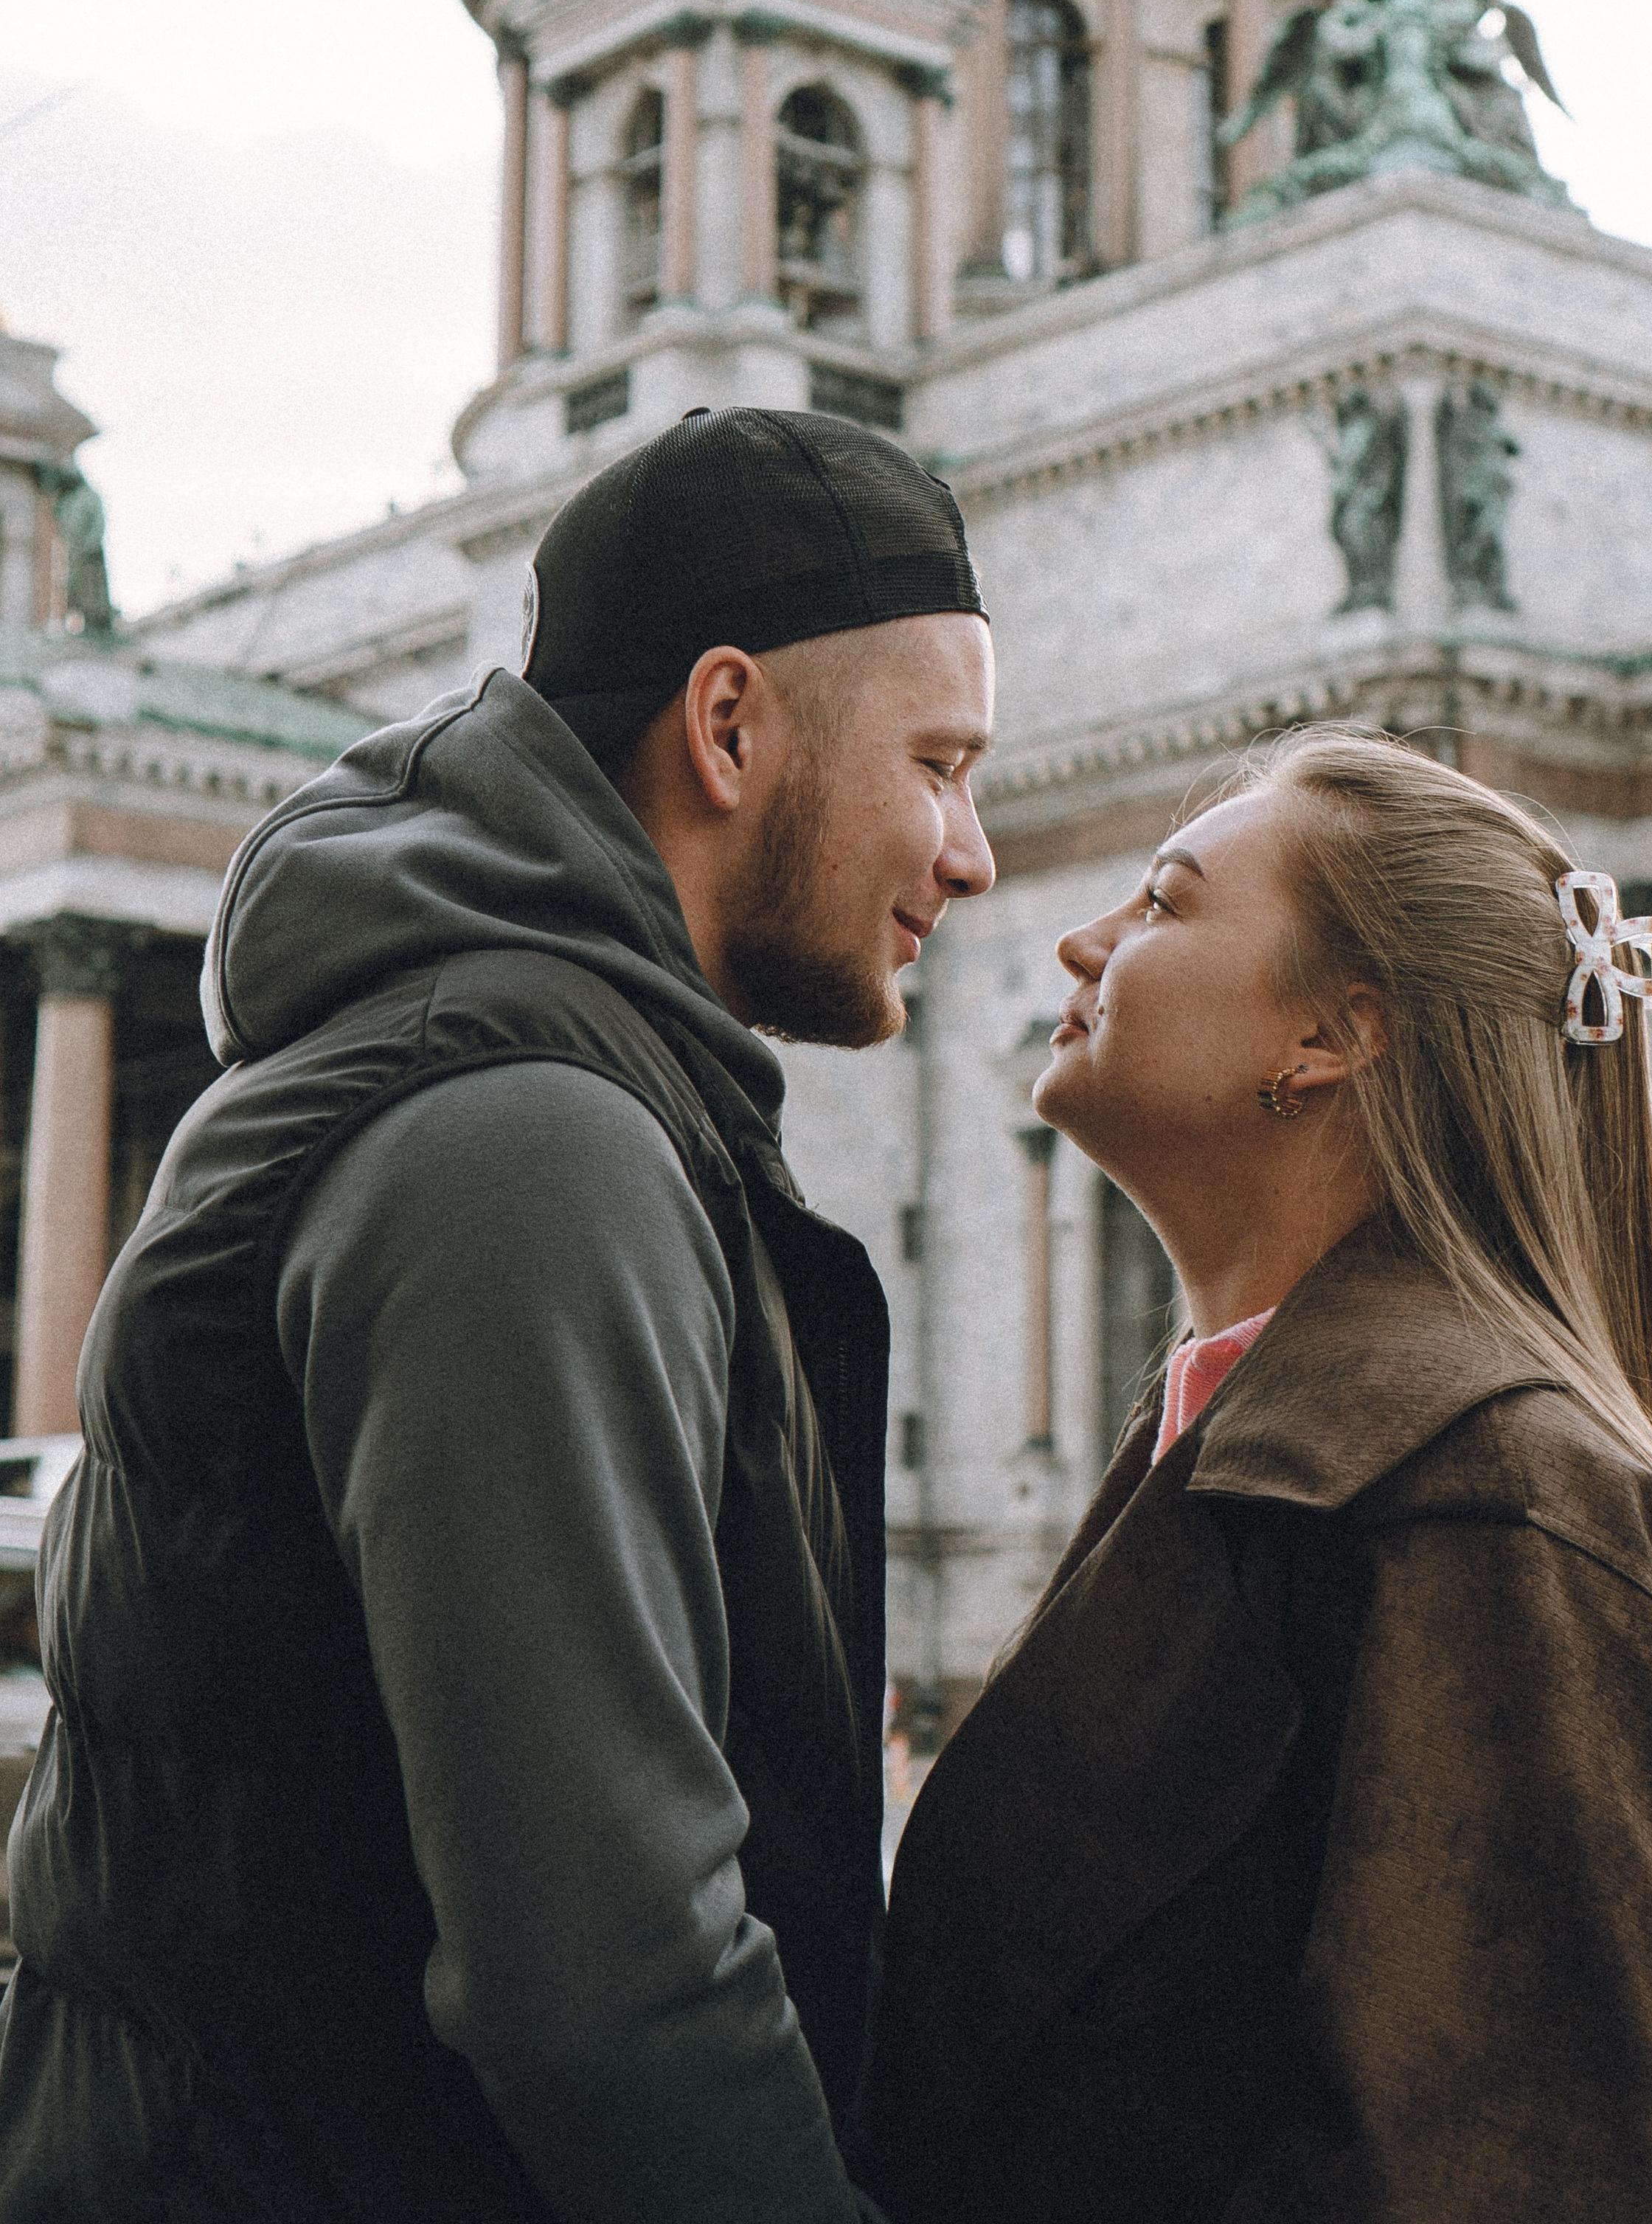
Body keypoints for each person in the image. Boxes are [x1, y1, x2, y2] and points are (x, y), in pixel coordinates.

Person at [0, 407, 996, 2223]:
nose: (973, 849)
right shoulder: (527, 1141)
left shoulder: (524, 1072)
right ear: (726, 726)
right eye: (938, 764)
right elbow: (610, 1977)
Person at [865, 729, 1652, 2223]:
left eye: (1159, 902)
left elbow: (1501, 2174)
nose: (1077, 940)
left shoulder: (1482, 1504)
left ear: (1331, 1036)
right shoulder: (1295, 1444)